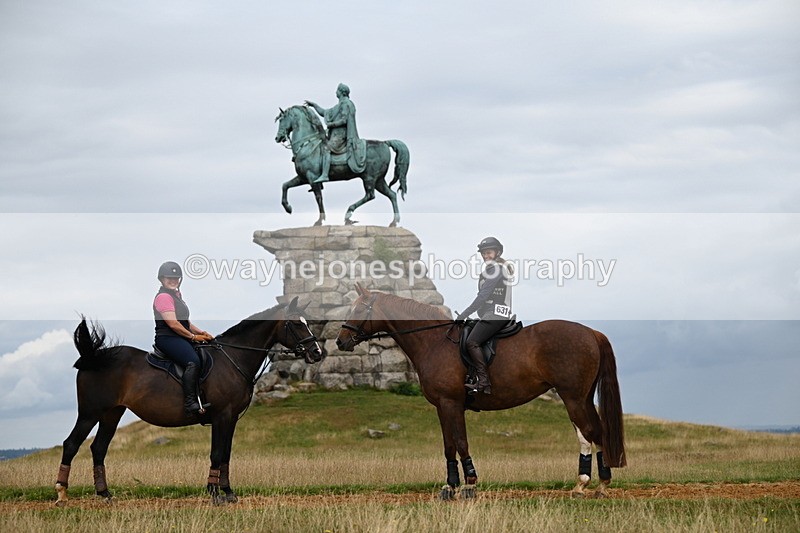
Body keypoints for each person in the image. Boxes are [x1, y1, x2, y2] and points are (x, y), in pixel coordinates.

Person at [153, 261, 214, 415]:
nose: (173, 280)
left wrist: (203, 333)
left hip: (180, 337)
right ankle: (190, 403)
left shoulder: (177, 296)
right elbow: (173, 324)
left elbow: (186, 323)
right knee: (192, 361)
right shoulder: (163, 297)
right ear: (161, 279)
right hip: (167, 338)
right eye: (169, 278)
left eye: (176, 278)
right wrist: (194, 337)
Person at [456, 237, 514, 395]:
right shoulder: (488, 272)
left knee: (472, 342)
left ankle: (483, 382)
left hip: (497, 314)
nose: (485, 256)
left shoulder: (497, 270)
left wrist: (463, 314)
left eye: (488, 252)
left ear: (497, 253)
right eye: (483, 253)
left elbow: (482, 297)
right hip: (490, 313)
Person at [305, 83, 366, 183]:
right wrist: (314, 105)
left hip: (341, 135)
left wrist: (331, 124)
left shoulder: (346, 104)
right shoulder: (339, 105)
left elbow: (344, 120)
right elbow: (324, 112)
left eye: (337, 90)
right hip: (335, 135)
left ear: (341, 92)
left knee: (326, 148)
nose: (335, 92)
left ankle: (325, 175)